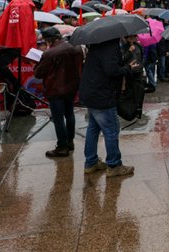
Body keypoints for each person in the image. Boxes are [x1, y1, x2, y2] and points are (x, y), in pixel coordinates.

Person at [79, 38, 140, 177]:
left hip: (91, 92)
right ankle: (114, 165)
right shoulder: (110, 46)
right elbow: (112, 70)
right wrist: (128, 68)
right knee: (111, 130)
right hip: (102, 95)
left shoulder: (98, 43)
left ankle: (91, 162)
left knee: (93, 128)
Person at [34, 27, 83, 158]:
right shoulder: (76, 48)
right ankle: (69, 141)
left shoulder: (49, 53)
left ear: (48, 40)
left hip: (56, 89)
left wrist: (37, 63)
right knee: (69, 114)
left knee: (58, 118)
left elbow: (38, 73)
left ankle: (62, 147)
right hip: (71, 87)